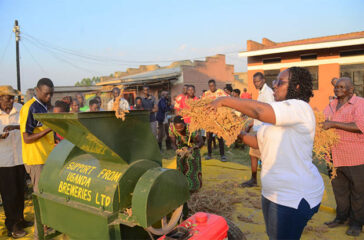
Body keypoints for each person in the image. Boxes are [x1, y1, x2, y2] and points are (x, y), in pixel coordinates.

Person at [208, 67, 324, 239]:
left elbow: (259, 111)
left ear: (297, 87)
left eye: (280, 82)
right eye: (275, 81)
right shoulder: (279, 113)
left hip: (293, 196)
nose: (275, 85)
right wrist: (233, 132)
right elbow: (258, 143)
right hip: (271, 192)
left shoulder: (300, 108)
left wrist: (225, 100)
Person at [323, 77, 364, 237]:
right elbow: (323, 121)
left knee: (358, 192)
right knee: (339, 191)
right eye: (336, 87)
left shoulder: (360, 103)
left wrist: (333, 124)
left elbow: (360, 126)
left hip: (355, 156)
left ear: (351, 90)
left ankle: (356, 223)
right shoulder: (332, 104)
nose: (338, 89)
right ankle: (341, 218)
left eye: (342, 87)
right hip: (333, 156)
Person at [20, 78, 55, 239]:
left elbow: (33, 126)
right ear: (37, 90)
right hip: (36, 159)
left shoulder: (42, 106)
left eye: (51, 94)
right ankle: (38, 234)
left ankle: (46, 227)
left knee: (47, 195)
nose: (49, 97)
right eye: (46, 94)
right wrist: (49, 129)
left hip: (45, 157)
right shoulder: (30, 108)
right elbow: (27, 137)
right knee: (40, 198)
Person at [0, 86, 33, 238]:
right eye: (8, 98)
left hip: (20, 158)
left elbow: (29, 125)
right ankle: (12, 226)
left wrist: (15, 126)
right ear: (0, 98)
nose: (11, 101)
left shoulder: (20, 108)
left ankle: (20, 219)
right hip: (4, 161)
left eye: (12, 98)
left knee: (21, 192)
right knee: (9, 195)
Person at [241, 72, 274, 188]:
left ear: (264, 80)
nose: (256, 84)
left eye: (258, 81)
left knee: (263, 156)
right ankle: (254, 179)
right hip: (258, 128)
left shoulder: (268, 94)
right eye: (254, 82)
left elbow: (268, 112)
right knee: (253, 154)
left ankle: (264, 181)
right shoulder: (261, 92)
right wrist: (251, 124)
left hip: (264, 129)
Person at [169, 115, 204, 192]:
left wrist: (192, 149)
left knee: (193, 166)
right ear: (174, 125)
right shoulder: (171, 128)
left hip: (193, 147)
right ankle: (182, 186)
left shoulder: (191, 128)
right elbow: (173, 143)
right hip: (181, 147)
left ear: (184, 124)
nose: (179, 130)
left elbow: (201, 142)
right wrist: (177, 150)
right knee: (180, 165)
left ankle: (194, 187)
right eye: (177, 128)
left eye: (181, 128)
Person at [202, 79, 229, 162]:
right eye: (210, 86)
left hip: (219, 119)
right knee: (209, 138)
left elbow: (228, 100)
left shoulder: (220, 92)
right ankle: (209, 154)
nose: (212, 87)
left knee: (220, 137)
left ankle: (222, 155)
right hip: (210, 119)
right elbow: (202, 104)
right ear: (208, 86)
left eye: (213, 86)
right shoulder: (206, 94)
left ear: (215, 85)